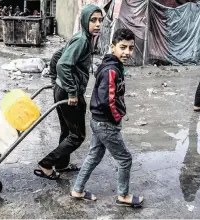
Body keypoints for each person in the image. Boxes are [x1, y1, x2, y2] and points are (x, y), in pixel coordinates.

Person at [69, 28, 144, 207]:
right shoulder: (112, 69)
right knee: (125, 159)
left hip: (98, 120)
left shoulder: (113, 65)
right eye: (122, 47)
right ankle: (123, 196)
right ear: (113, 47)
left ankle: (77, 190)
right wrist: (117, 117)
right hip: (105, 122)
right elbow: (107, 100)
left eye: (131, 48)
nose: (127, 52)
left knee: (94, 155)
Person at [34, 4, 103, 180]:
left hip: (63, 89)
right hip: (68, 93)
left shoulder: (82, 37)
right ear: (85, 20)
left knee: (67, 131)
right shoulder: (82, 40)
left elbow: (58, 55)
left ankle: (61, 164)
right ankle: (46, 164)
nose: (97, 24)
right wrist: (72, 92)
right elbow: (62, 64)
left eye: (100, 20)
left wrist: (54, 81)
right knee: (77, 135)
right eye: (93, 20)